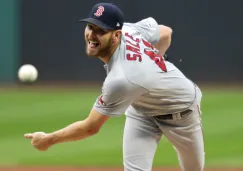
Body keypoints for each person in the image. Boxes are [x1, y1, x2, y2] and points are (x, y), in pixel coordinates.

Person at [24, 2, 205, 171]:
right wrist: (156, 60)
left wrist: (49, 140)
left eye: (100, 31)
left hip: (181, 113)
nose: (91, 35)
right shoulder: (128, 30)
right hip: (141, 111)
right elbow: (166, 32)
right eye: (90, 27)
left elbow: (90, 127)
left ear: (116, 35)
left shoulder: (122, 79)